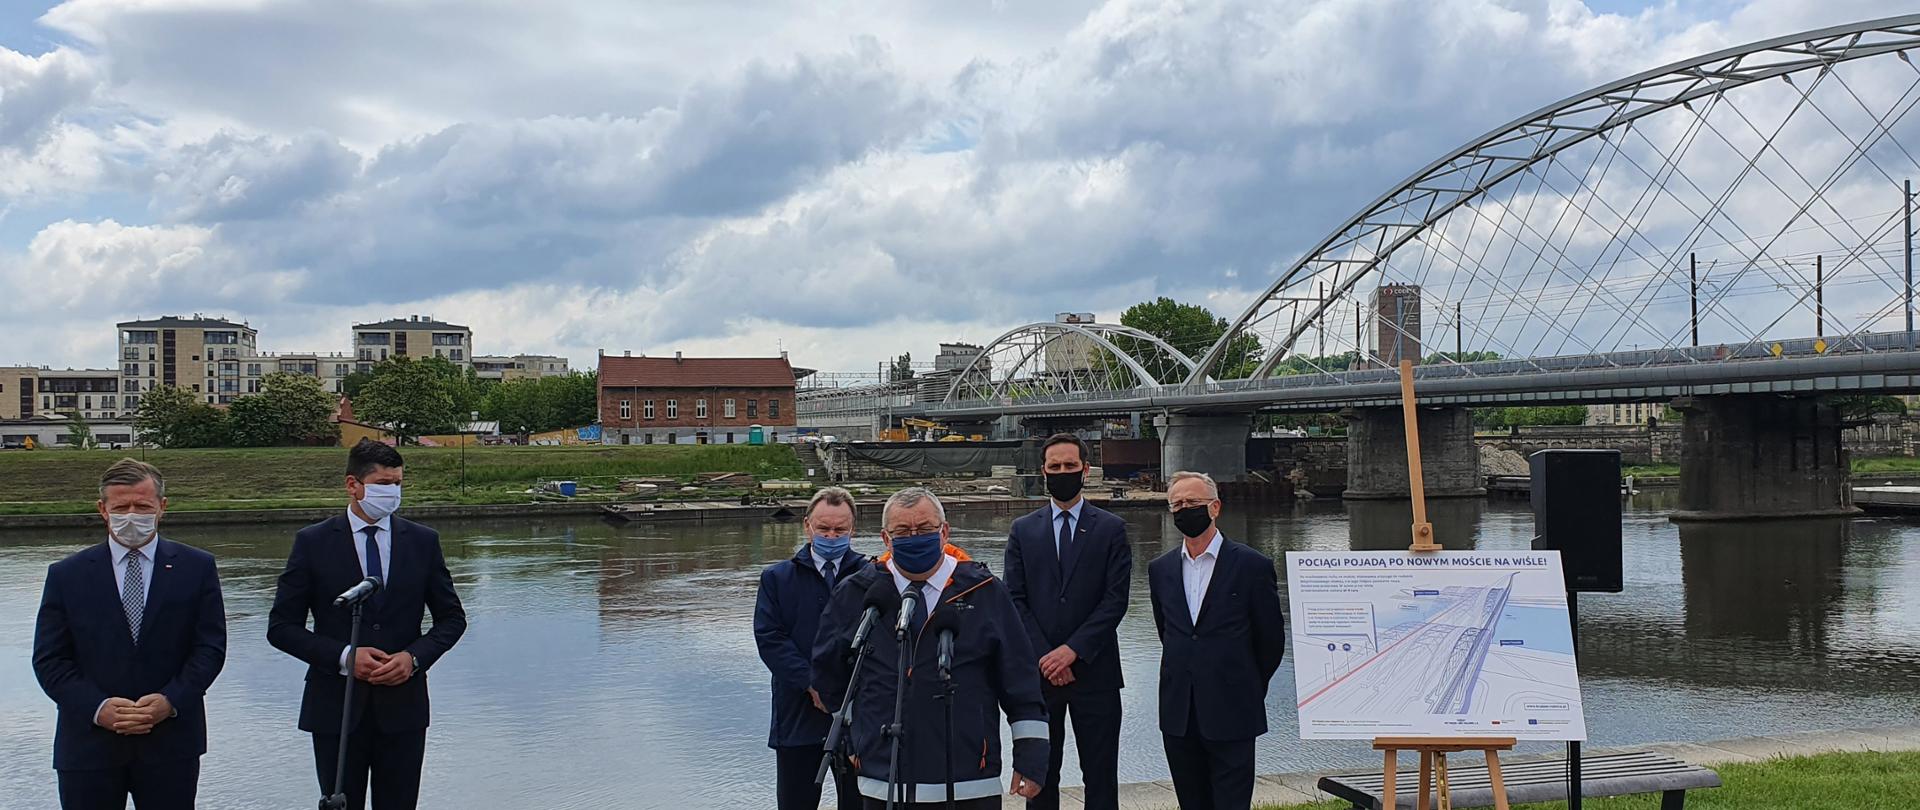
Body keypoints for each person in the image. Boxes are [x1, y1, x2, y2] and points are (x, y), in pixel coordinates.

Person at [812, 487, 1050, 809]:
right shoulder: (857, 593)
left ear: (944, 532)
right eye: (902, 532)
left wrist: (1032, 756)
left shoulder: (984, 592)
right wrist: (854, 736)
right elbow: (830, 675)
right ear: (885, 538)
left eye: (924, 530)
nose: (914, 537)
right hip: (883, 779)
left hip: (969, 778)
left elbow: (1020, 680)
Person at [268, 438, 467, 810]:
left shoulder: (423, 542)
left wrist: (413, 658)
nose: (392, 492)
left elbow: (452, 619)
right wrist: (344, 657)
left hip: (403, 707)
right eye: (382, 484)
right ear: (352, 485)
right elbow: (281, 627)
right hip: (336, 709)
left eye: (397, 483)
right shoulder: (312, 542)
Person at [32, 458, 227, 810]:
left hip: (171, 743)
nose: (131, 515)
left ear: (162, 507)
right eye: (121, 507)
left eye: (142, 506)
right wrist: (97, 707)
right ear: (102, 509)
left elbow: (209, 649)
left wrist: (169, 702)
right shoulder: (66, 575)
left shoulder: (197, 567)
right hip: (88, 745)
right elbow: (51, 660)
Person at [1002, 434, 1130, 810]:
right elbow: (1014, 599)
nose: (1062, 472)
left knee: (1101, 774)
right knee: (1041, 776)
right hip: (1041, 675)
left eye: (1069, 466)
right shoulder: (1023, 530)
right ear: (1043, 471)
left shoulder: (1111, 529)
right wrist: (1048, 656)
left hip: (1096, 672)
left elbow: (1115, 601)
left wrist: (1072, 652)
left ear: (1085, 471)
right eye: (1054, 467)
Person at [1147, 471, 1285, 810]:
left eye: (1193, 502)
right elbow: (1168, 632)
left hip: (1233, 707)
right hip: (1179, 711)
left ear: (1215, 507)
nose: (1184, 509)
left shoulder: (1253, 565)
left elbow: (1271, 641)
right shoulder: (1160, 569)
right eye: (1177, 504)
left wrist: (1247, 682)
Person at [755, 486, 868, 810]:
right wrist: (810, 682)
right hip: (797, 715)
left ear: (852, 530)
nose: (831, 537)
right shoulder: (777, 578)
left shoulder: (871, 576)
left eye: (839, 530)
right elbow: (770, 638)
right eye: (823, 529)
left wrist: (842, 688)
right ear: (807, 526)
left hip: (856, 717)